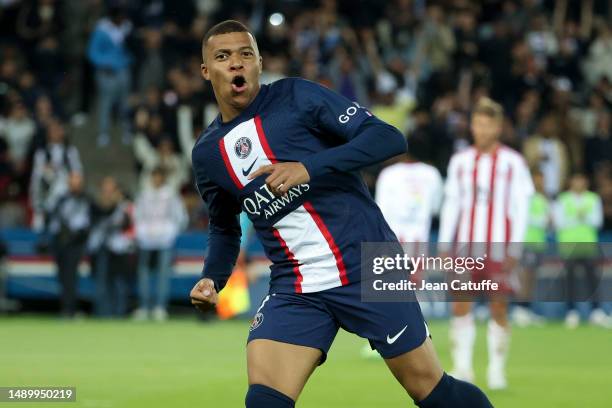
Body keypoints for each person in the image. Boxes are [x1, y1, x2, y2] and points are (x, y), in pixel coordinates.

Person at [189, 20, 492, 408]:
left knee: (431, 390)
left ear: (260, 63)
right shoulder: (209, 153)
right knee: (264, 401)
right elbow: (224, 225)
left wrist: (308, 167)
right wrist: (212, 278)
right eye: (223, 56)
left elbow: (388, 137)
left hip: (367, 264)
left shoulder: (296, 96)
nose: (236, 64)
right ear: (205, 71)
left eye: (246, 54)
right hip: (295, 285)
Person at [439, 97, 534, 389]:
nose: (481, 129)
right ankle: (464, 367)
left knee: (499, 307)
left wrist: (515, 247)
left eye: (487, 124)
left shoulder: (512, 163)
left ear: (498, 127)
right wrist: (444, 244)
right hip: (466, 247)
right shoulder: (460, 161)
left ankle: (496, 370)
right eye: (477, 123)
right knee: (461, 306)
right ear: (472, 126)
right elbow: (451, 203)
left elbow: (521, 206)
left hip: (498, 248)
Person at [553, 172, 610, 329]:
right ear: (571, 182)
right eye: (576, 180)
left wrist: (579, 217)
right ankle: (572, 312)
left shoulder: (593, 198)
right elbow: (559, 222)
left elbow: (597, 221)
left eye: (582, 180)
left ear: (586, 182)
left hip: (588, 244)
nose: (579, 183)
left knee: (592, 279)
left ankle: (596, 312)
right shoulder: (562, 199)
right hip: (568, 245)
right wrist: (580, 217)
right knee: (569, 280)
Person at [133, 167, 187, 321]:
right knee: (143, 273)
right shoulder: (144, 195)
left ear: (163, 178)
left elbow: (179, 216)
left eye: (158, 177)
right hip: (145, 239)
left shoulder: (170, 195)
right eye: (154, 177)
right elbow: (138, 215)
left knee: (163, 273)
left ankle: (159, 307)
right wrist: (141, 232)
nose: (156, 180)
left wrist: (170, 232)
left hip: (165, 239)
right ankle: (144, 306)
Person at [47, 172, 92, 318]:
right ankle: (66, 308)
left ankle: (70, 309)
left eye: (78, 181)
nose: (75, 184)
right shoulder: (61, 199)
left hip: (75, 242)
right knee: (62, 276)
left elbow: (86, 222)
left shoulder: (85, 199)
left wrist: (75, 234)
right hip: (60, 242)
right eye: (73, 181)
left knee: (71, 277)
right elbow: (52, 216)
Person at [87, 6, 133, 147]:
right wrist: (104, 63)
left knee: (126, 103)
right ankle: (103, 134)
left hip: (123, 70)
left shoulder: (127, 28)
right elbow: (92, 52)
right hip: (106, 73)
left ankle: (127, 131)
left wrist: (128, 60)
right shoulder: (101, 30)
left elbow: (130, 48)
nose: (122, 20)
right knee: (105, 103)